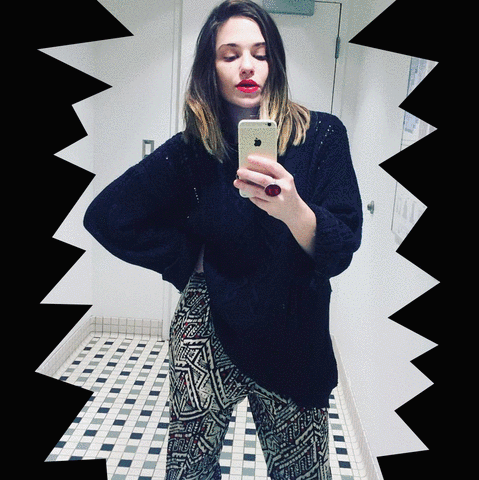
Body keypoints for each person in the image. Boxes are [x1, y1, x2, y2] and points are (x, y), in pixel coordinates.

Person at [84, 1, 362, 478]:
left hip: (293, 332)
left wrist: (293, 209)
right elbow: (108, 216)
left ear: (274, 62)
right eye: (230, 55)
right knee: (189, 472)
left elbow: (341, 248)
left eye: (259, 53)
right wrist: (188, 257)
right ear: (209, 68)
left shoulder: (321, 136)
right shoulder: (193, 150)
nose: (247, 66)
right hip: (207, 325)